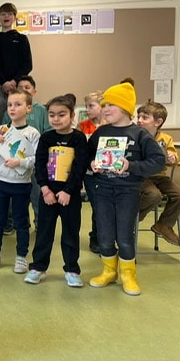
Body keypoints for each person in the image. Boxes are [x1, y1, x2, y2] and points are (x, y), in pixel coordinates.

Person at [88, 82, 165, 296]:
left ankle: (128, 275)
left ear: (125, 107)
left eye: (110, 104)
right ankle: (109, 271)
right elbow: (87, 155)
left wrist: (131, 166)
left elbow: (158, 161)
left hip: (128, 192)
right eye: (104, 105)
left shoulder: (140, 134)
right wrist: (91, 164)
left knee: (124, 236)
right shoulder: (101, 132)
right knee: (104, 235)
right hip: (103, 191)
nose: (105, 109)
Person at [24, 95, 88, 287]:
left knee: (70, 233)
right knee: (44, 232)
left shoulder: (78, 138)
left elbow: (80, 167)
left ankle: (72, 269)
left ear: (72, 115)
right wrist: (45, 190)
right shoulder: (46, 138)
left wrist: (68, 191)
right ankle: (38, 268)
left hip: (70, 195)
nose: (56, 119)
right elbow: (40, 165)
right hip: (48, 195)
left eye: (61, 114)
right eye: (52, 115)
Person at [0, 89, 40, 274]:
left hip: (22, 185)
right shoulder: (1, 130)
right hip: (1, 183)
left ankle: (21, 257)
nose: (12, 108)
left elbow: (37, 159)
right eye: (9, 105)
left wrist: (20, 162)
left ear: (28, 108)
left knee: (21, 221)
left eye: (18, 104)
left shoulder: (32, 133)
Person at [2, 75, 50, 231]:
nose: (23, 90)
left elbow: (48, 131)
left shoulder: (41, 110)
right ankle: (14, 222)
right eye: (20, 87)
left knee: (37, 194)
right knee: (15, 196)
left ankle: (39, 223)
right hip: (14, 161)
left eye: (27, 87)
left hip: (35, 161)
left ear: (34, 91)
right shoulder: (9, 111)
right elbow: (3, 132)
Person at [136, 101, 180, 245]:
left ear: (158, 122)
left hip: (160, 177)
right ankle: (132, 216)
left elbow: (173, 156)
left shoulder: (165, 139)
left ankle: (163, 225)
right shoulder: (135, 136)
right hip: (142, 177)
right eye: (138, 117)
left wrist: (173, 158)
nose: (139, 120)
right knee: (154, 195)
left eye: (144, 117)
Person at [0, 2, 33, 129]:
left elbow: (27, 65)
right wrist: (3, 82)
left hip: (17, 85)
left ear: (14, 18)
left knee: (19, 119)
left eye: (10, 14)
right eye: (3, 14)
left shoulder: (22, 39)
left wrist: (14, 81)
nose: (6, 16)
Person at [77, 90, 106, 254]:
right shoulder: (82, 126)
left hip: (108, 173)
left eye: (91, 106)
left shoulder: (110, 125)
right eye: (86, 106)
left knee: (105, 207)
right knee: (98, 205)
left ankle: (105, 237)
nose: (87, 110)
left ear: (102, 107)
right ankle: (96, 238)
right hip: (90, 173)